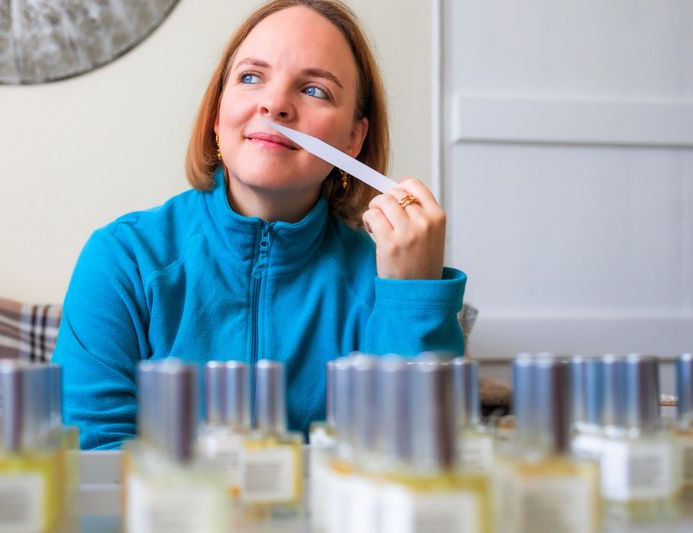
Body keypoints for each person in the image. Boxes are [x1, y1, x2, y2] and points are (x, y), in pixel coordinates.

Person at [52, 0, 466, 450]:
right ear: (217, 112)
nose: (274, 104)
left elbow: (417, 465)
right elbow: (92, 459)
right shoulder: (123, 260)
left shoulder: (381, 282)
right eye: (251, 77)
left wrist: (413, 297)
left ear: (352, 139)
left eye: (315, 90)